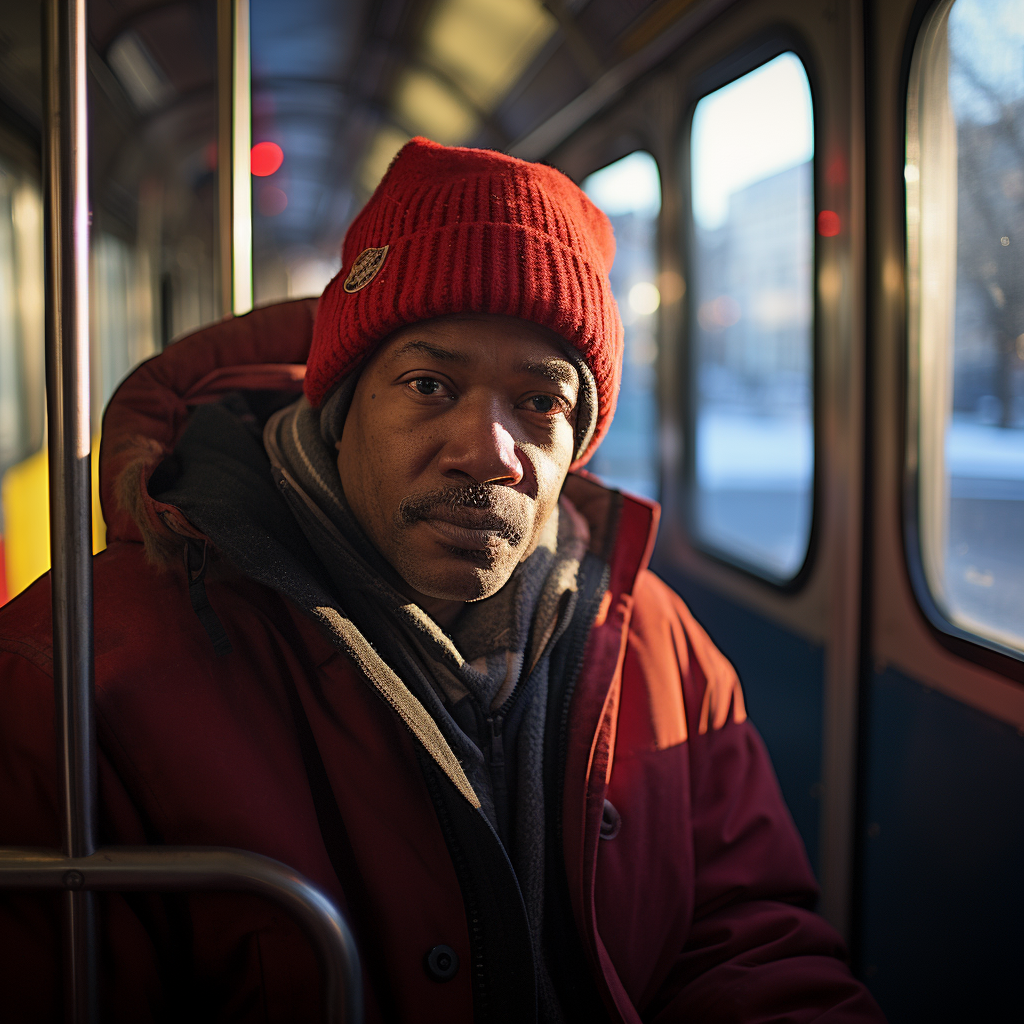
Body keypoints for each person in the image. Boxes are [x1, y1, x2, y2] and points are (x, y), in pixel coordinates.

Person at [0, 137, 885, 1023]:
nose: (487, 451)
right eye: (429, 384)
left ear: (576, 444)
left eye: (540, 403)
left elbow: (747, 939)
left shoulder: (659, 648)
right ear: (340, 409)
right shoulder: (81, 674)